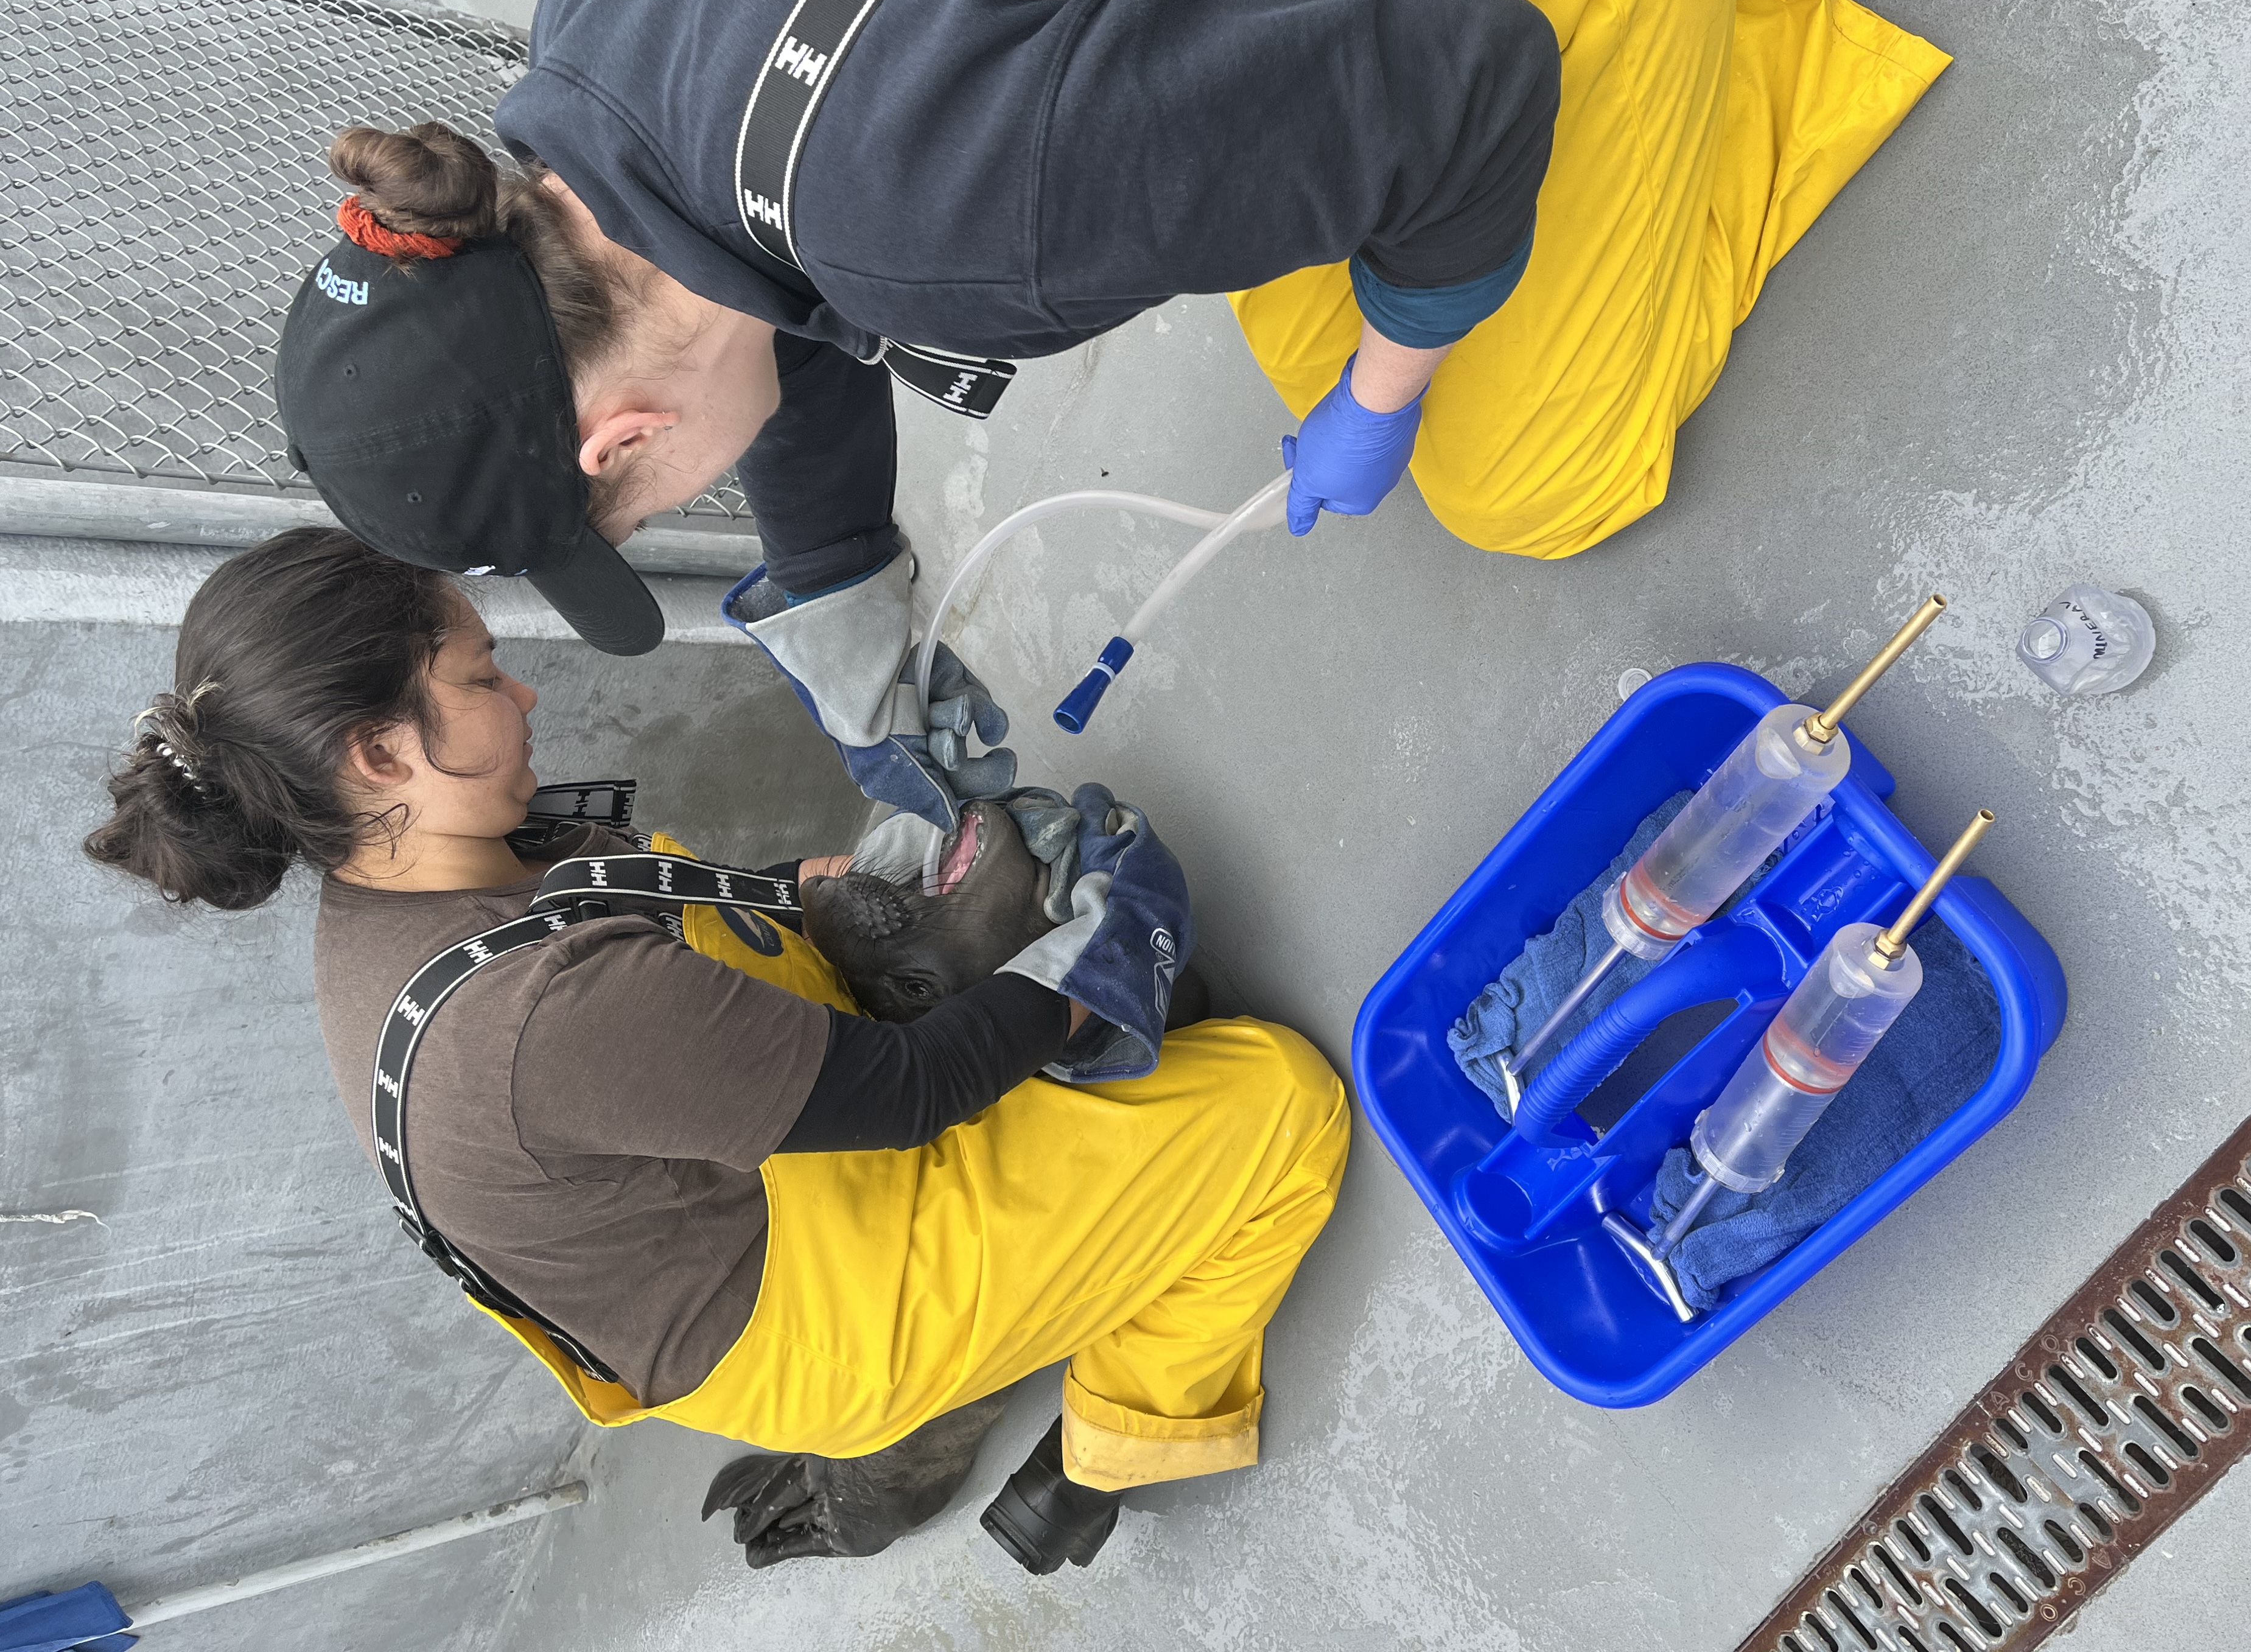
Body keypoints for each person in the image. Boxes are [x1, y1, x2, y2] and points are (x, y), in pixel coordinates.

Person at [268, 0, 1944, 835]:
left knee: (1528, 477)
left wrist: (1390, 377)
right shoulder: (593, 57)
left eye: (635, 512)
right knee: (1293, 282)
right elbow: (779, 307)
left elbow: (1467, 86)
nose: (668, 502)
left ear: (615, 443)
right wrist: (842, 581)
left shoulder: (943, 215)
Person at [83, 528, 1351, 1574]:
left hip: (718, 1194)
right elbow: (919, 1091)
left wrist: (828, 887)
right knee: (1276, 1100)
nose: (522, 691)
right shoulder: (530, 1022)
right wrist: (1091, 967)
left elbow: (651, 908)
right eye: (480, 675)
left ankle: (983, 1363)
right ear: (377, 753)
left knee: (1103, 1043)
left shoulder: (403, 868)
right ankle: (1102, 1454)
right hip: (826, 1311)